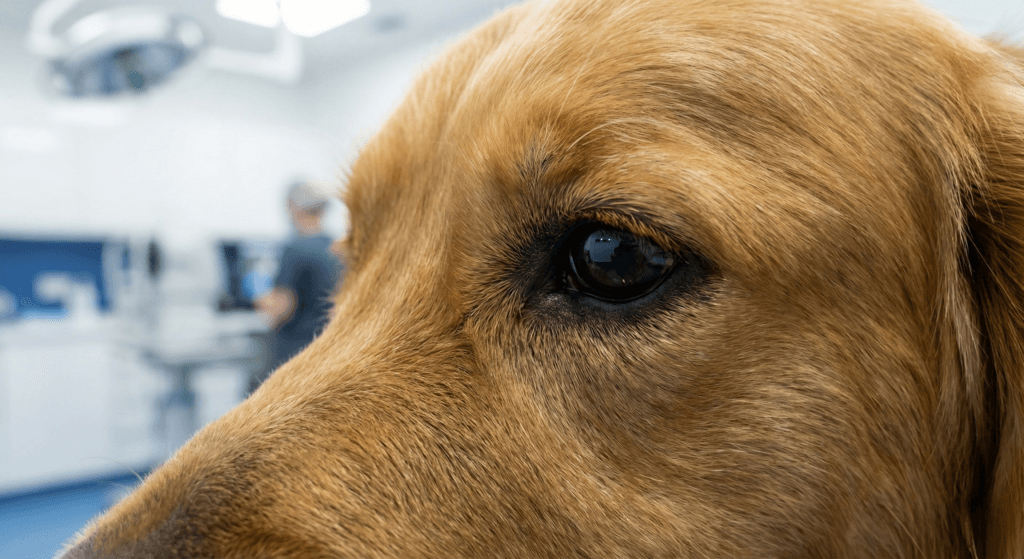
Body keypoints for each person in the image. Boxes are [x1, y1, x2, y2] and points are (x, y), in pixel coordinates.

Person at [252, 181, 343, 392]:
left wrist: (259, 301)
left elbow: (282, 308)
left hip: (295, 353)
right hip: (327, 350)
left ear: (293, 208)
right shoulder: (338, 248)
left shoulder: (294, 249)